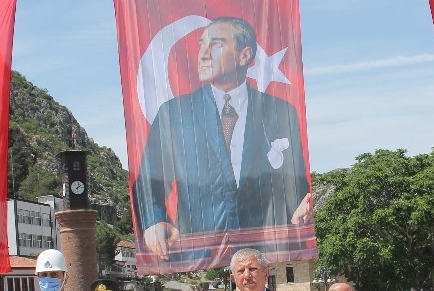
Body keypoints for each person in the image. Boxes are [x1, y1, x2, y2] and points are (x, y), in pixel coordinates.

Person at [133, 17, 312, 261]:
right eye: (201, 45)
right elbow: (149, 181)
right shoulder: (174, 115)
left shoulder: (280, 112)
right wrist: (154, 220)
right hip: (198, 255)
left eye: (216, 44)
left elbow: (294, 181)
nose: (203, 55)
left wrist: (300, 208)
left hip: (266, 254)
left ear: (244, 55)